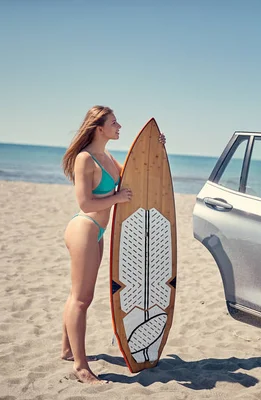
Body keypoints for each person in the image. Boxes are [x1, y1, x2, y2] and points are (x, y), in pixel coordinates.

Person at [60, 106, 164, 384]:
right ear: (99, 128)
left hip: (97, 231)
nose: (119, 127)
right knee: (82, 299)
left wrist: (157, 147)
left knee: (79, 295)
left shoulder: (107, 157)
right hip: (84, 227)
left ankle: (67, 348)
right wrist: (116, 200)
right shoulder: (85, 159)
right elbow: (85, 202)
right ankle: (81, 367)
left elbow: (137, 171)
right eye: (114, 123)